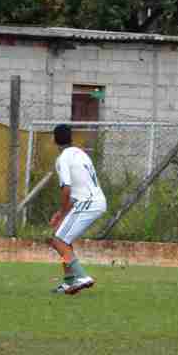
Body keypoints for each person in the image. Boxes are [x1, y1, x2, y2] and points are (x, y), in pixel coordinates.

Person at [49, 124, 107, 294]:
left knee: (58, 241)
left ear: (54, 140)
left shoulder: (63, 159)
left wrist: (61, 213)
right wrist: (62, 214)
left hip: (87, 203)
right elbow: (80, 187)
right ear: (71, 138)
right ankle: (69, 282)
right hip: (95, 201)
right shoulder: (81, 154)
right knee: (64, 239)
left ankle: (82, 277)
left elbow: (66, 188)